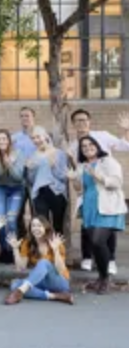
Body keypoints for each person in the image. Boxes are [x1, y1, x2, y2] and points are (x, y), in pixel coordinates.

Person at [68, 109, 129, 274]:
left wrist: (126, 130)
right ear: (73, 124)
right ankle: (88, 257)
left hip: (106, 192)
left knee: (105, 230)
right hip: (88, 194)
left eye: (84, 120)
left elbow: (125, 146)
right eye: (78, 121)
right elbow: (78, 171)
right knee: (87, 228)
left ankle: (110, 261)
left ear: (90, 121)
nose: (82, 123)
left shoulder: (103, 136)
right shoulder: (73, 145)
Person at [4, 216, 73, 305]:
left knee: (43, 262)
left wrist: (56, 250)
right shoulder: (28, 243)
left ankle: (19, 292)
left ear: (46, 228)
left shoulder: (55, 242)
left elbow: (60, 270)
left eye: (39, 226)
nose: (36, 228)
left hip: (59, 281)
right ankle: (55, 296)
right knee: (14, 284)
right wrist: (15, 249)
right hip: (41, 281)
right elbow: (21, 268)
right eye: (33, 226)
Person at [0, 129, 25, 256]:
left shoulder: (19, 154)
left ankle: (13, 249)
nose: (1, 141)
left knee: (11, 219)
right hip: (1, 189)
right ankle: (5, 251)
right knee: (1, 220)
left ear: (9, 141)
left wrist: (10, 165)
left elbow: (19, 177)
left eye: (4, 139)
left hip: (17, 189)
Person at [27, 126, 68, 234]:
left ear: (45, 136)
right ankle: (45, 251)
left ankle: (58, 250)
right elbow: (31, 181)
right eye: (33, 138)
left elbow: (63, 177)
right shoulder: (33, 156)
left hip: (57, 192)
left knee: (58, 226)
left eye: (38, 137)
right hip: (39, 193)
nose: (36, 140)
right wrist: (30, 171)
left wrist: (53, 165)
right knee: (42, 227)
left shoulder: (59, 153)